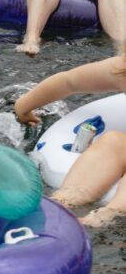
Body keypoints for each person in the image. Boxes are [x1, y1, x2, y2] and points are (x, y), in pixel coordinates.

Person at [15, 54, 126, 227]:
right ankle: (66, 198)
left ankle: (112, 212)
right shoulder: (122, 70)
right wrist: (24, 106)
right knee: (113, 141)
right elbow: (69, 81)